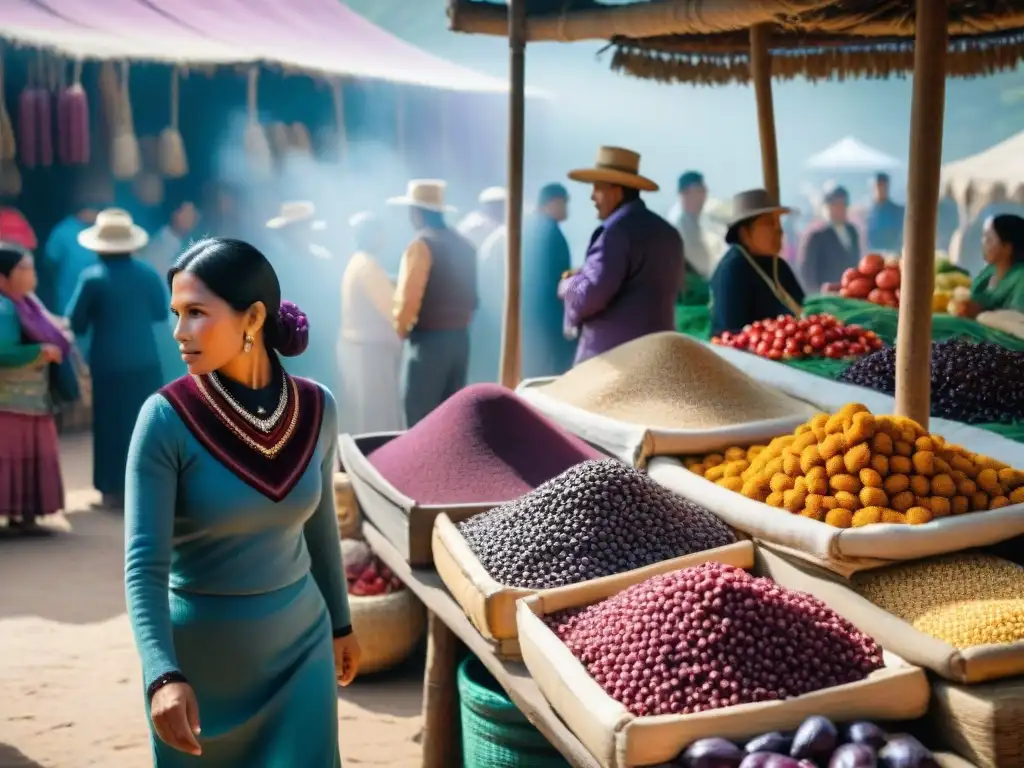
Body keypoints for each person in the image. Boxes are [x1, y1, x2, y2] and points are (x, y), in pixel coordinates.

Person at [124, 237, 359, 766]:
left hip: (302, 652)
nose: (180, 333)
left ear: (252, 318)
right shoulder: (164, 420)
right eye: (176, 315)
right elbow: (144, 567)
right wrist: (161, 674)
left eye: (197, 313)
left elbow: (320, 528)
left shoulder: (318, 407)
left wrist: (341, 625)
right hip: (200, 673)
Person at [65, 208, 166, 508]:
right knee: (144, 423)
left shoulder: (92, 278)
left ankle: (111, 488)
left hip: (108, 363)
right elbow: (161, 313)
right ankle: (148, 485)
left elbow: (77, 322)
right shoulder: (147, 273)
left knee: (110, 422)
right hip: (146, 359)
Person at [559, 146, 683, 364]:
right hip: (659, 357)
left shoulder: (615, 234)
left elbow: (590, 296)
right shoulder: (668, 233)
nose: (592, 197)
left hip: (614, 363)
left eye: (597, 188)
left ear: (616, 191)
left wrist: (568, 284)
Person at [387, 180, 477, 426]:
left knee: (419, 415)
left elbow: (408, 300)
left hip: (428, 344)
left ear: (416, 213)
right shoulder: (466, 247)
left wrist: (401, 330)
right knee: (451, 418)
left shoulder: (421, 245)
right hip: (460, 339)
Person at [0, 244, 72, 533]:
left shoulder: (27, 303)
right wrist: (40, 352)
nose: (32, 275)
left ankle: (23, 515)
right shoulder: (4, 308)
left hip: (31, 400)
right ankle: (17, 513)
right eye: (24, 269)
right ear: (2, 278)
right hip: (10, 402)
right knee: (13, 455)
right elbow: (3, 351)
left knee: (27, 454)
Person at [265, 201, 343, 397]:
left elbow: (334, 300)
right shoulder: (275, 264)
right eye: (295, 229)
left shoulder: (323, 258)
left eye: (304, 227)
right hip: (288, 343)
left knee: (322, 396)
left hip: (320, 339)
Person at [338, 212, 403, 433]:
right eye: (380, 233)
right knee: (376, 415)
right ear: (372, 236)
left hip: (362, 348)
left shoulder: (360, 262)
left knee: (368, 412)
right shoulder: (367, 266)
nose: (384, 239)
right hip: (369, 351)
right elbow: (393, 309)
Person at [709, 189, 805, 337]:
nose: (779, 230)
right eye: (769, 223)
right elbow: (731, 334)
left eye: (778, 222)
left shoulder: (779, 265)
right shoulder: (732, 271)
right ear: (745, 233)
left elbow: (803, 307)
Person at [139, 200, 200, 384]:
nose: (194, 218)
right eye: (189, 212)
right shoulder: (159, 246)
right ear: (176, 214)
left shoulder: (186, 242)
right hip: (168, 325)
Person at [522, 183, 577, 378]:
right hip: (548, 318)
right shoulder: (548, 231)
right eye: (564, 203)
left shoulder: (535, 227)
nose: (566, 208)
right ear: (553, 202)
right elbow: (552, 281)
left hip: (535, 318)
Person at [950, 214, 1024, 318]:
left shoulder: (1021, 277)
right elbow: (974, 297)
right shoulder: (989, 271)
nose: (983, 244)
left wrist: (980, 312)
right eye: (984, 238)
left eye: (989, 240)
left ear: (1007, 248)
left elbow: (1018, 318)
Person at [797, 183, 861, 292]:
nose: (840, 209)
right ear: (827, 207)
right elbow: (807, 272)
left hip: (850, 294)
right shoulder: (816, 236)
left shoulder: (852, 231)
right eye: (835, 204)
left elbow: (856, 261)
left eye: (843, 204)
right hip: (827, 298)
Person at [668, 170, 715, 279]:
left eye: (703, 191)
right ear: (684, 194)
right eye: (698, 190)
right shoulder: (681, 228)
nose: (703, 196)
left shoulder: (700, 224)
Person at [865, 172, 905, 253]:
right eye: (878, 186)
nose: (880, 189)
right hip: (873, 256)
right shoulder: (867, 212)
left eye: (883, 186)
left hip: (894, 255)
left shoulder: (898, 211)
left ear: (887, 187)